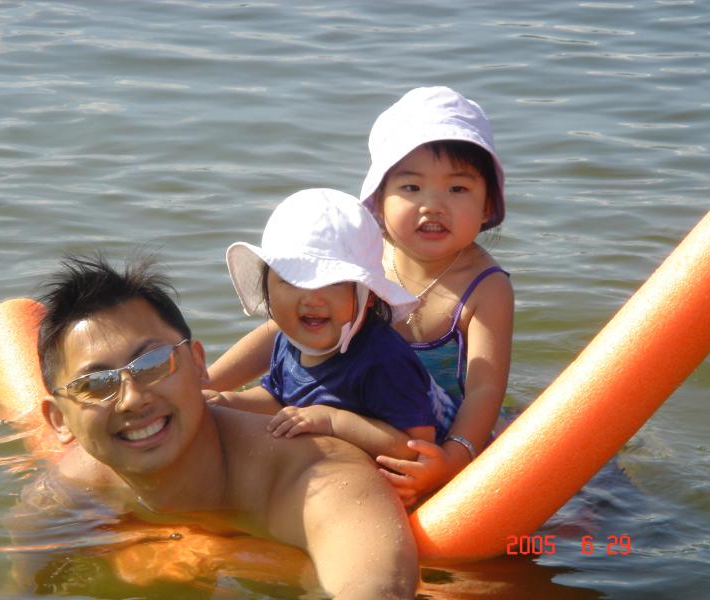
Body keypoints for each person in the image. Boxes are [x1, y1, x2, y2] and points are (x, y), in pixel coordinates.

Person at [8, 253, 419, 600]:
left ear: (199, 363)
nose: (132, 398)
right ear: (60, 421)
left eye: (153, 363)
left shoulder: (316, 477)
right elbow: (24, 586)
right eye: (96, 385)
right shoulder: (72, 488)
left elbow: (373, 586)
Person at [207, 86, 514, 507]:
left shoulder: (486, 286)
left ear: (487, 205)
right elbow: (285, 326)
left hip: (437, 433)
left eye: (457, 189)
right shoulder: (364, 260)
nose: (433, 206)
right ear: (378, 202)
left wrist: (455, 458)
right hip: (358, 414)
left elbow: (484, 391)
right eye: (411, 188)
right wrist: (207, 384)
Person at [206, 188, 459, 460]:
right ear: (266, 288)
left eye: (334, 282)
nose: (312, 298)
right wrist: (226, 403)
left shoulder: (382, 361)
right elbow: (278, 399)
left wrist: (333, 422)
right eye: (292, 280)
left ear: (369, 295)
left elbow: (419, 447)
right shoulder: (288, 342)